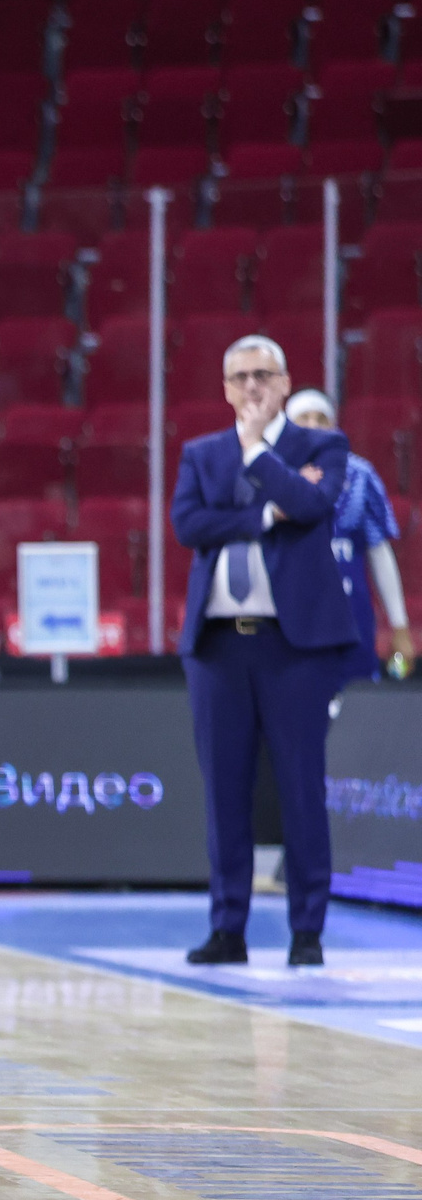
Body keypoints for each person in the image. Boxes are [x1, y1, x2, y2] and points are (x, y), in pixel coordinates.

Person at [174, 337, 359, 969]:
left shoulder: (322, 446)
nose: (251, 386)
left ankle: (307, 930)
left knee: (301, 787)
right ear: (224, 387)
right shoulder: (199, 452)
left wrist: (258, 453)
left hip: (295, 647)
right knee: (224, 792)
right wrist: (261, 516)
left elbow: (311, 504)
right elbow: (188, 526)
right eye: (239, 377)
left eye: (262, 375)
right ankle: (228, 928)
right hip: (219, 646)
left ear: (284, 382)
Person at [287, 388, 412, 680]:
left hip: (350, 621)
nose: (314, 425)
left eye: (322, 418)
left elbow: (379, 552)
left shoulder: (360, 475)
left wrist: (400, 625)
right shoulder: (271, 472)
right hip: (286, 625)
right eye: (303, 418)